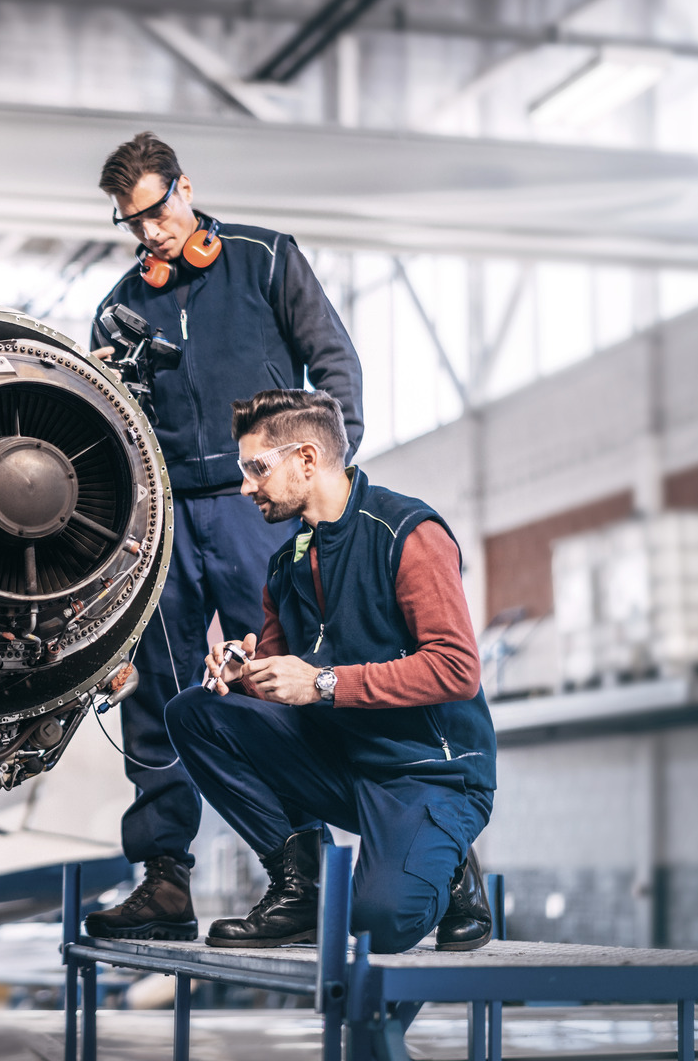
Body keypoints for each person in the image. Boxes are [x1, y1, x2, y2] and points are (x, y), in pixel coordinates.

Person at [84, 133, 364, 940]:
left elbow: (333, 365)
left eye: (156, 210)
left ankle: (306, 869)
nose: (150, 233)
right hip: (165, 518)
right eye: (130, 222)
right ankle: (165, 880)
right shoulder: (117, 307)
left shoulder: (266, 260)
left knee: (284, 675)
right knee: (157, 695)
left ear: (184, 188)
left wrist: (326, 481)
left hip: (260, 509)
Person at [166, 389, 495, 953]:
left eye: (256, 468)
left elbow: (457, 668)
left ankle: (453, 867)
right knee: (196, 714)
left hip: (427, 774)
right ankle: (300, 891)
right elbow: (278, 678)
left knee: (378, 925)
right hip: (345, 759)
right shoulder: (286, 563)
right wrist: (243, 671)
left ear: (308, 459)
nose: (245, 486)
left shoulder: (408, 534)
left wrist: (320, 683)